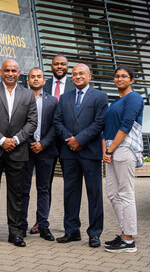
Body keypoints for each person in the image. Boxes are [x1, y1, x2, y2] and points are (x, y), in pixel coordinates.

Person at [0, 59, 38, 248]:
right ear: (0, 72)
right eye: (7, 70)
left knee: (16, 194)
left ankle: (15, 233)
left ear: (19, 71)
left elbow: (32, 122)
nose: (10, 73)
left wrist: (16, 140)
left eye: (13, 70)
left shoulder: (28, 95)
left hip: (18, 151)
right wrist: (2, 140)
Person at [53, 63, 107, 248]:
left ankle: (94, 233)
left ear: (89, 76)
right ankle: (71, 231)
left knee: (94, 194)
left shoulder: (100, 96)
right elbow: (57, 121)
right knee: (70, 194)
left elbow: (99, 122)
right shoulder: (65, 97)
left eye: (81, 73)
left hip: (90, 154)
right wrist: (70, 139)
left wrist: (80, 140)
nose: (77, 76)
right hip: (69, 153)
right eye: (74, 74)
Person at [31, 54, 75, 234]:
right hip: (46, 144)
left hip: (68, 143)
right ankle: (41, 222)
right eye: (56, 64)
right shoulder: (43, 83)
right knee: (44, 185)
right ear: (51, 66)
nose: (59, 67)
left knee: (70, 185)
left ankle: (70, 225)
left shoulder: (75, 84)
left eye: (63, 64)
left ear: (67, 66)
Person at [102, 66, 144, 253]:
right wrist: (105, 151)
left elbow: (126, 126)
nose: (119, 79)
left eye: (124, 76)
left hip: (124, 148)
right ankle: (124, 233)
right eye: (117, 76)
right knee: (112, 193)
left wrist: (110, 150)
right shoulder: (114, 103)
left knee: (125, 193)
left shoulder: (134, 98)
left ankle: (128, 240)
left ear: (131, 80)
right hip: (111, 150)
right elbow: (106, 129)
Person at [21, 68, 58, 241]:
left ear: (44, 81)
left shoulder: (53, 101)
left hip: (46, 150)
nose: (36, 79)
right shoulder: (21, 99)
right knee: (24, 189)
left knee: (44, 189)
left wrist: (43, 143)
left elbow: (56, 125)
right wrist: (30, 143)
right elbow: (18, 124)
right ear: (27, 81)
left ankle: (43, 225)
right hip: (25, 150)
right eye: (32, 77)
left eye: (39, 77)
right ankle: (21, 225)